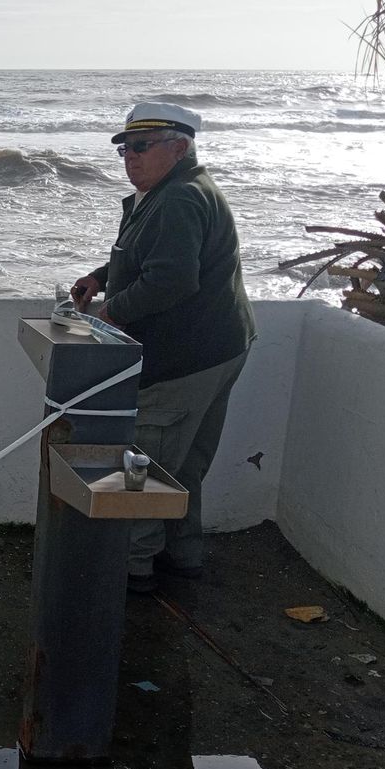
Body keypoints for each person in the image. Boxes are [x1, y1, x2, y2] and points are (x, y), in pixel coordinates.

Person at [70, 101, 256, 594]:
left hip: (186, 360)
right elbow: (146, 255)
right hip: (221, 347)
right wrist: (101, 276)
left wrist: (110, 311)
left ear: (180, 147)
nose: (130, 157)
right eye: (125, 149)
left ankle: (133, 569)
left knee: (148, 466)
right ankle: (183, 556)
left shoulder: (178, 199)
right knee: (186, 464)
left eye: (140, 147)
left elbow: (171, 280)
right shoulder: (169, 192)